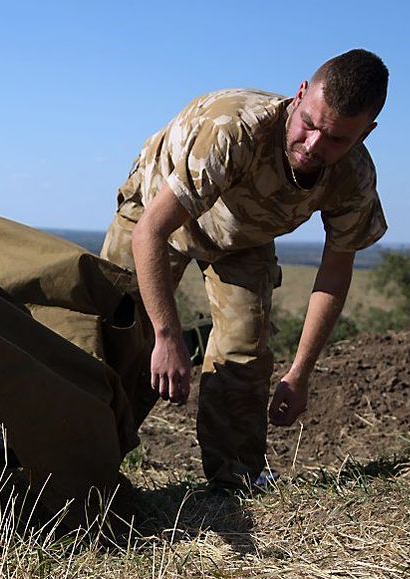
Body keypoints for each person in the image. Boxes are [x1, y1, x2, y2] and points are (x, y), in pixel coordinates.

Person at [100, 49, 389, 490]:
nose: (313, 146)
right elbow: (151, 233)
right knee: (116, 333)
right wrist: (166, 335)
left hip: (241, 236)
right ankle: (88, 461)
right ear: (299, 95)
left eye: (335, 140)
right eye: (308, 124)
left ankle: (236, 476)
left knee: (244, 352)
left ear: (364, 134)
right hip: (157, 213)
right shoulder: (234, 129)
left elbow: (334, 274)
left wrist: (300, 373)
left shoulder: (353, 177)